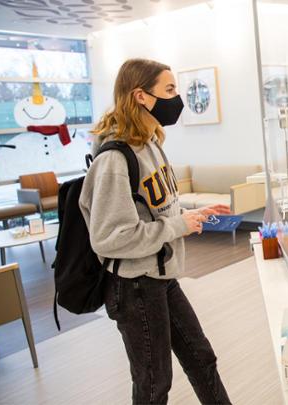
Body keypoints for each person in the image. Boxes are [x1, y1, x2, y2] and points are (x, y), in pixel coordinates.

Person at [79, 58, 232, 404]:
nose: (177, 98)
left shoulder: (150, 144)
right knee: (154, 383)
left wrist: (193, 214)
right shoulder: (114, 160)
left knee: (201, 357)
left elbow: (157, 208)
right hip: (133, 285)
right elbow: (109, 237)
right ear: (141, 96)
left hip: (161, 277)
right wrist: (178, 225)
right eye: (169, 90)